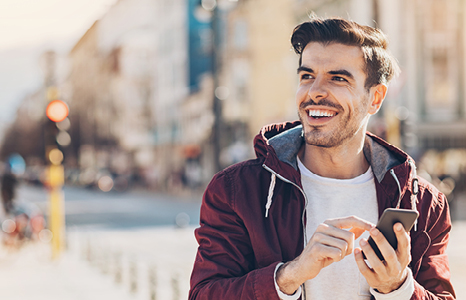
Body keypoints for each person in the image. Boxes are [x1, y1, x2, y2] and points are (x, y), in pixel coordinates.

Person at [189, 16, 455, 300]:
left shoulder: (422, 202)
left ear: (375, 98)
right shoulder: (235, 191)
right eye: (307, 76)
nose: (314, 91)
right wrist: (289, 276)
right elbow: (204, 294)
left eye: (337, 78)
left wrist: (398, 288)